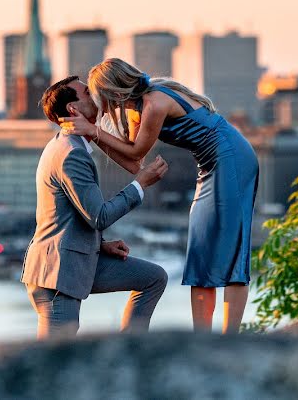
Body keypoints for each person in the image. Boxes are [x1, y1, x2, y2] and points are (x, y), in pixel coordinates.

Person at [59, 58, 259, 334]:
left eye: (98, 96)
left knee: (231, 250)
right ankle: (201, 338)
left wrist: (94, 132)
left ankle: (229, 338)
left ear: (113, 93)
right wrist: (94, 135)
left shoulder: (155, 103)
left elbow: (134, 152)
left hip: (232, 159)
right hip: (209, 164)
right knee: (200, 250)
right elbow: (133, 163)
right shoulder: (134, 109)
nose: (97, 104)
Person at [20, 76, 170, 339]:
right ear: (73, 110)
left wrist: (101, 244)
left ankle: (131, 349)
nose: (96, 96)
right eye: (88, 93)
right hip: (57, 273)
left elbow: (68, 213)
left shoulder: (70, 145)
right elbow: (99, 215)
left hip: (79, 258)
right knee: (53, 364)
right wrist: (140, 184)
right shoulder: (71, 153)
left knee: (153, 278)